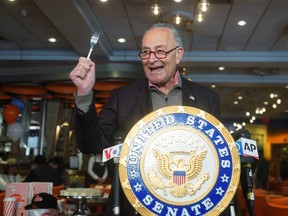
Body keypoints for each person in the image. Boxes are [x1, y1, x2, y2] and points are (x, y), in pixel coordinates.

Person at [70, 23, 221, 215]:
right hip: (133, 208)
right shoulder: (122, 97)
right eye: (146, 52)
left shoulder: (207, 99)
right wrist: (84, 92)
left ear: (179, 54)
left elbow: (215, 158)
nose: (151, 59)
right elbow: (92, 145)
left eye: (160, 52)